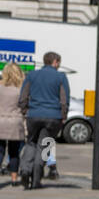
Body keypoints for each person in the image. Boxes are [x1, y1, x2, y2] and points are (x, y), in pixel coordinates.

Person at [17, 51, 69, 188]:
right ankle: (36, 179)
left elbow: (23, 96)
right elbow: (64, 99)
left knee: (31, 143)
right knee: (45, 145)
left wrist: (25, 110)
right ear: (55, 62)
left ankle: (25, 170)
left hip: (33, 114)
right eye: (59, 63)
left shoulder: (32, 75)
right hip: (53, 116)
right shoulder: (61, 77)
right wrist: (63, 115)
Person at [0, 62, 25, 184]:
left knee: (0, 151)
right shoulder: (21, 89)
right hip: (15, 122)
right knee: (14, 152)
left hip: (0, 121)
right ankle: (14, 179)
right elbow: (25, 106)